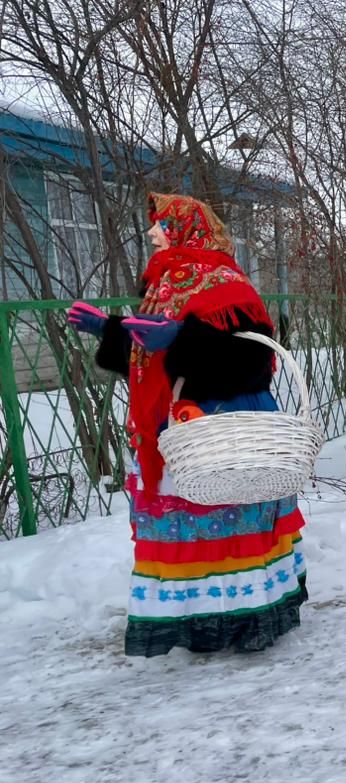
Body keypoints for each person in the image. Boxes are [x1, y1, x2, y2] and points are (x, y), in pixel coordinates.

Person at [66, 192, 306, 657]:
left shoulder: (227, 283)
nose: (153, 233)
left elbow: (254, 359)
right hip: (177, 433)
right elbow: (150, 360)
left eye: (162, 225)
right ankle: (197, 622)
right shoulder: (165, 286)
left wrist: (181, 338)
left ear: (186, 229)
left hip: (225, 426)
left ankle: (249, 620)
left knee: (232, 522)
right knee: (184, 529)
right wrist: (111, 332)